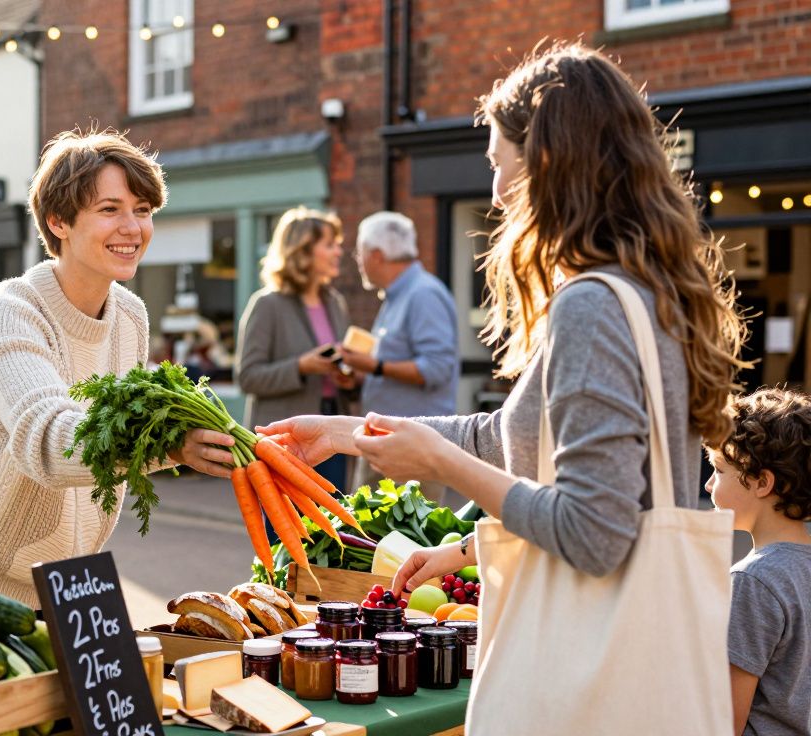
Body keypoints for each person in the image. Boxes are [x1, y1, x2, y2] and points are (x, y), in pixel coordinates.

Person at [260, 44, 746, 732]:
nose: (492, 194)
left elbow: (593, 533)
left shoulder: (593, 305)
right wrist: (349, 431)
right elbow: (512, 434)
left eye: (497, 164)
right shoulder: (649, 293)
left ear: (546, 159)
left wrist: (438, 464)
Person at [0, 129, 235, 606]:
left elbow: (119, 437)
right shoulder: (10, 310)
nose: (133, 228)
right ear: (59, 221)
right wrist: (170, 442)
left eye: (142, 211)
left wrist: (184, 448)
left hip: (64, 583)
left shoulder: (130, 316)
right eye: (110, 210)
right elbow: (50, 443)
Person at [704, 388, 811, 736]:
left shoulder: (754, 580)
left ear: (762, 483)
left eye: (719, 470)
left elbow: (723, 722)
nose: (707, 485)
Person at [236, 206, 358, 494]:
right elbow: (248, 376)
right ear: (302, 250)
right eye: (330, 244)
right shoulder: (267, 305)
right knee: (285, 532)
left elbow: (343, 368)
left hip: (333, 433)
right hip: (286, 443)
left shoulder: (335, 302)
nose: (338, 252)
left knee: (332, 530)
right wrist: (301, 367)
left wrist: (347, 378)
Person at [341, 212, 458, 500]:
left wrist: (375, 367)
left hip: (410, 449)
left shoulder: (423, 295)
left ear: (377, 255)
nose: (358, 260)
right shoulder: (399, 295)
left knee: (403, 542)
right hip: (391, 444)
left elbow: (437, 368)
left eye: (360, 252)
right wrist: (358, 377)